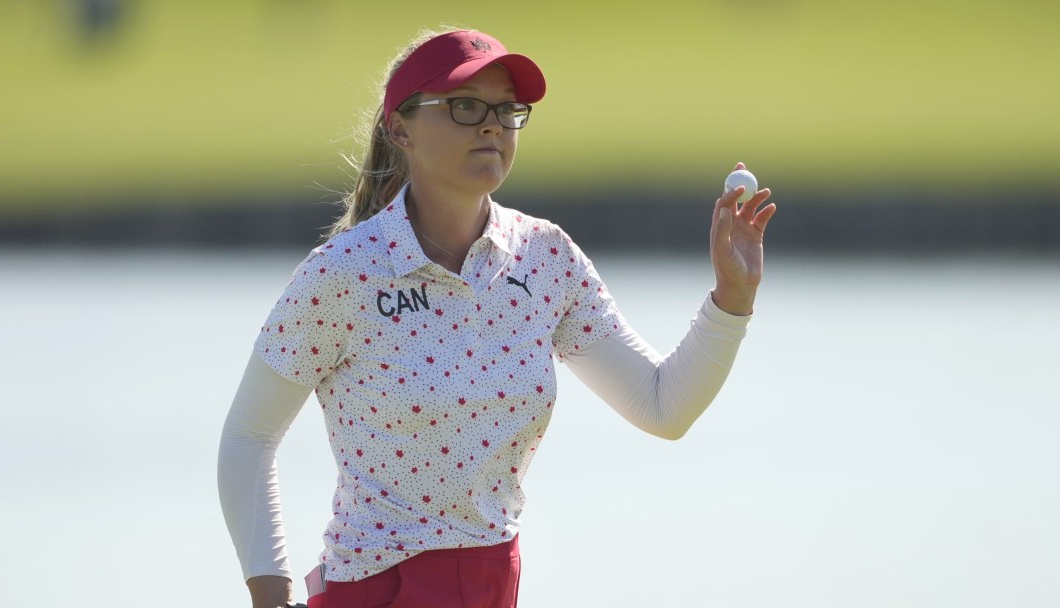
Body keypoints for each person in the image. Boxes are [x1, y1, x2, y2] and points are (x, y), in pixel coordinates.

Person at [218, 27, 776, 608]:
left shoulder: (545, 257)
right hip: (378, 590)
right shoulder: (344, 273)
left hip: (492, 587)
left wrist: (732, 298)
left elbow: (662, 406)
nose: (492, 125)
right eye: (464, 106)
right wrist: (271, 595)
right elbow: (248, 438)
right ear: (400, 128)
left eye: (508, 111)